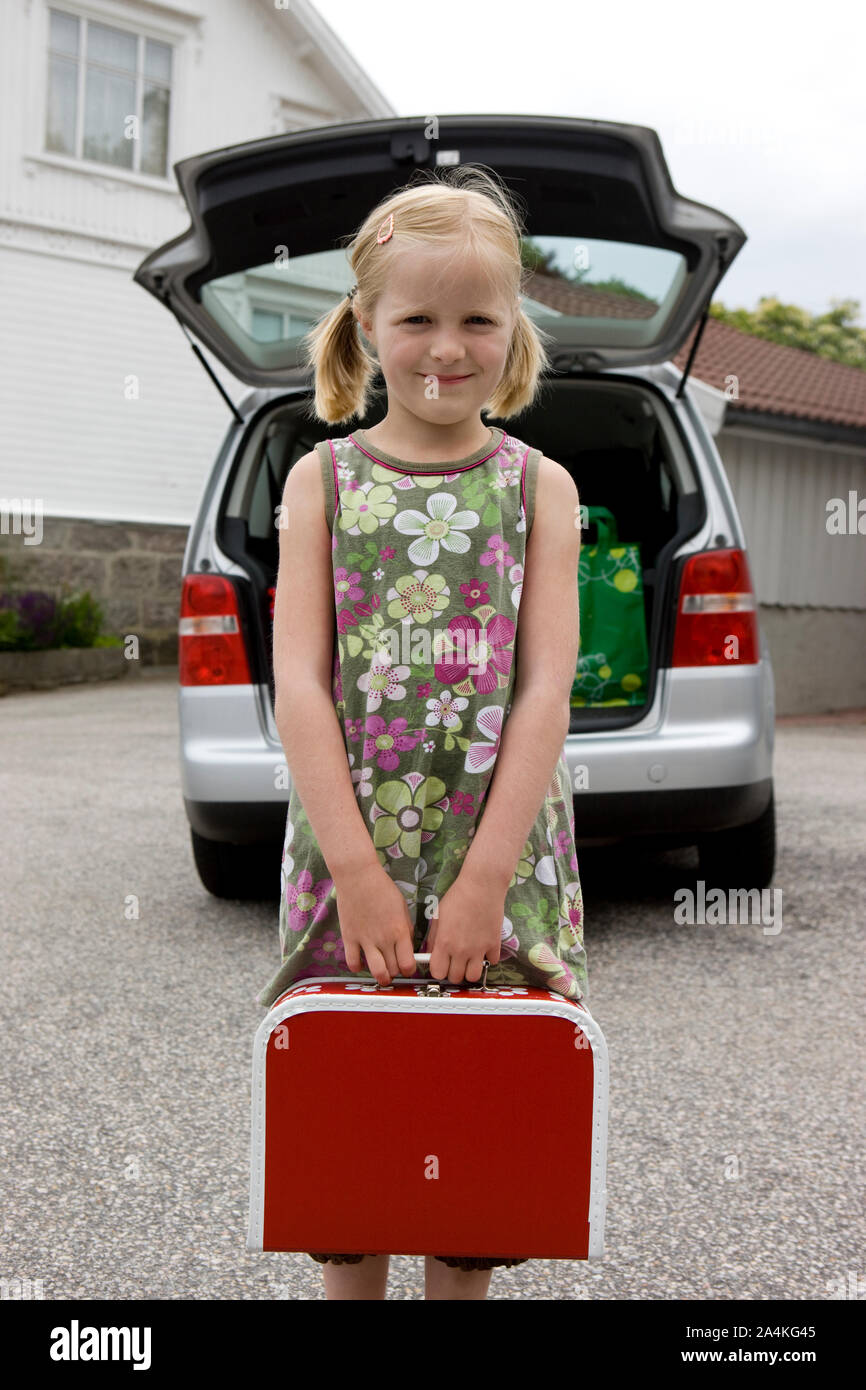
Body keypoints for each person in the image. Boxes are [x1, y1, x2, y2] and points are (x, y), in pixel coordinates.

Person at [257, 164, 587, 1300]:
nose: (445, 347)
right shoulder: (319, 480)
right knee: (352, 1163)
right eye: (416, 318)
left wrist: (489, 874)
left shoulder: (541, 486)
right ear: (367, 325)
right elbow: (299, 683)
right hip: (352, 859)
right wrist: (354, 869)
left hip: (502, 861)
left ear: (513, 331)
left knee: (475, 1171)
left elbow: (545, 688)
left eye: (475, 319)